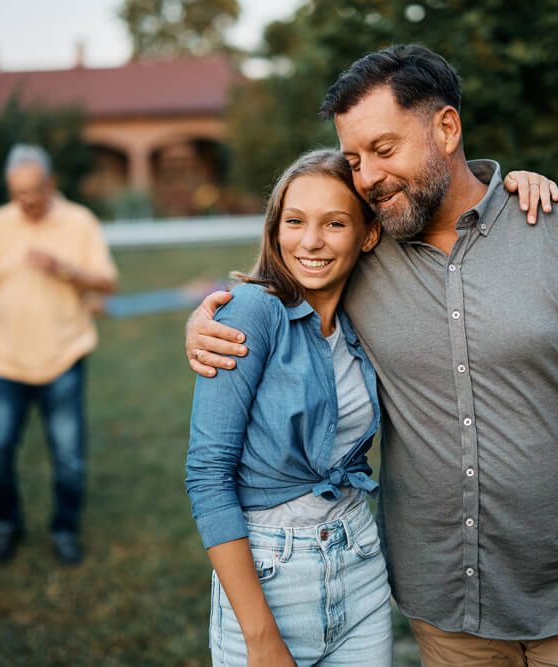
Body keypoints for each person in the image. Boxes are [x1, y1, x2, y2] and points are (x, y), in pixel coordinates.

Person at [185, 45, 558, 665]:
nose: (369, 177)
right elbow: (293, 277)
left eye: (384, 149)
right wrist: (206, 319)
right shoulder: (366, 252)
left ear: (447, 128)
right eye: (354, 159)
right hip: (448, 615)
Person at [186, 149, 390, 666]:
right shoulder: (253, 311)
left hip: (361, 565)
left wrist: (511, 180)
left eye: (335, 223)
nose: (311, 241)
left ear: (368, 234)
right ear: (275, 229)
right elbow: (208, 475)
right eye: (294, 221)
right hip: (271, 577)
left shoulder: (368, 315)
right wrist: (260, 637)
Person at [0, 144, 118, 566]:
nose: (26, 200)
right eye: (17, 192)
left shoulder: (79, 222)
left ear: (51, 183)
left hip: (64, 358)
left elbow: (108, 282)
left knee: (69, 457)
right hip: (7, 362)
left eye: (33, 190)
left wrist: (64, 269)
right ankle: (7, 526)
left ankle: (65, 530)